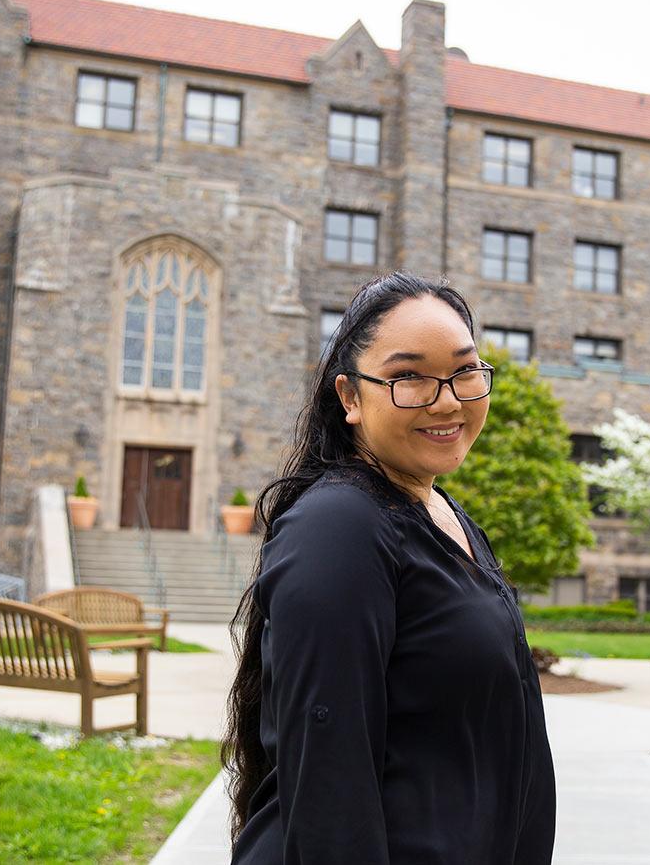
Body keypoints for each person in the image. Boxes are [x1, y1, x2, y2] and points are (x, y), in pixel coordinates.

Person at [224, 271, 556, 864]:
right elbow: (329, 774)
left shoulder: (437, 508)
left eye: (464, 371)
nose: (448, 399)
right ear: (350, 397)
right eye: (408, 377)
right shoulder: (340, 527)